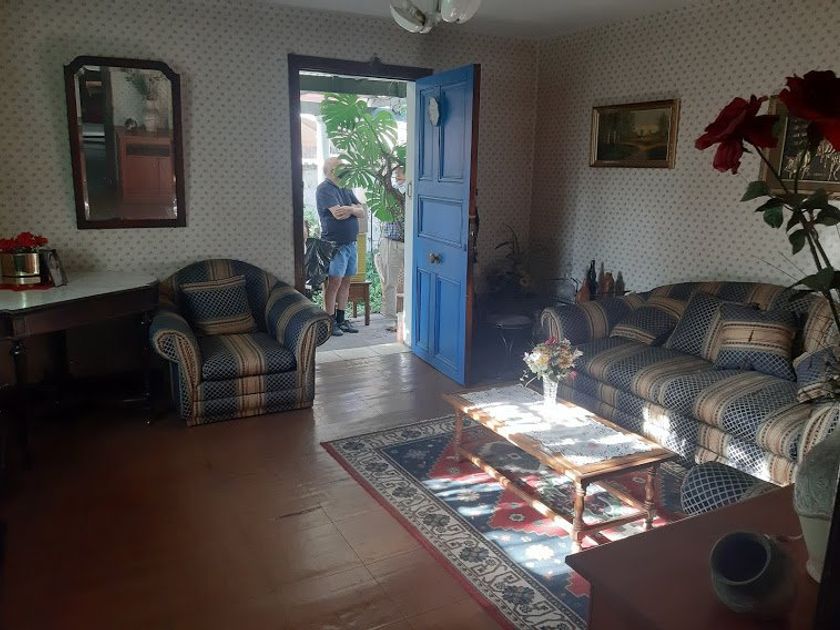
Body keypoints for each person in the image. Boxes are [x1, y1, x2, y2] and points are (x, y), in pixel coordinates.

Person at [316, 157, 366, 335]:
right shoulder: (324, 189)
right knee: (334, 282)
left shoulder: (346, 187)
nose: (344, 170)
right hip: (335, 245)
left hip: (351, 243)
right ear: (330, 170)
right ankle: (329, 322)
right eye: (339, 167)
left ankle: (341, 319)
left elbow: (362, 211)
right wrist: (352, 210)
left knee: (346, 281)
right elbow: (338, 214)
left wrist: (350, 210)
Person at [375, 165, 405, 325]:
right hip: (391, 241)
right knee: (390, 282)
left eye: (401, 171)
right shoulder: (390, 191)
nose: (398, 174)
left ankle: (410, 318)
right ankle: (390, 319)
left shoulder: (414, 190)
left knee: (414, 280)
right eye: (396, 172)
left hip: (411, 242)